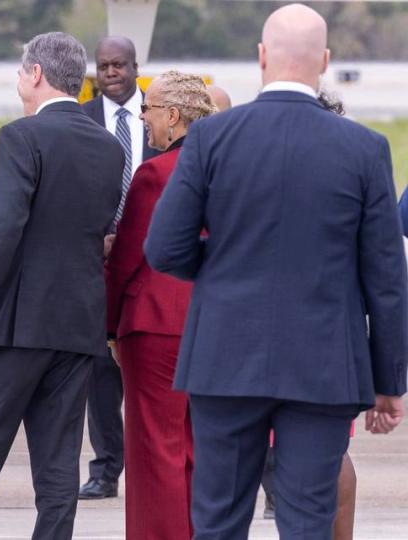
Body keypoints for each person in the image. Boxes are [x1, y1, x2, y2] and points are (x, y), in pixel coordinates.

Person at [145, 4, 407, 538]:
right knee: (308, 520)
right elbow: (387, 279)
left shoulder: (212, 139)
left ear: (261, 56)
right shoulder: (364, 148)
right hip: (325, 364)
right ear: (326, 61)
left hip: (224, 355)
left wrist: (221, 273)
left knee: (217, 518)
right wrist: (389, 382)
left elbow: (165, 248)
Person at [0, 32, 124, 540]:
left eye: (20, 71)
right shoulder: (109, 148)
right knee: (58, 465)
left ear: (36, 74)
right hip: (76, 325)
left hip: (16, 325)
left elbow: (7, 224)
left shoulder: (21, 135)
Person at [107, 70, 215, 540]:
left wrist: (109, 327)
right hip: (213, 323)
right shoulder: (225, 168)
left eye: (148, 109)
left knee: (155, 451)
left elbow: (130, 258)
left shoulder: (154, 174)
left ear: (173, 116)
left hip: (157, 325)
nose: (144, 118)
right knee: (197, 447)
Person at [260, 91, 358, 540]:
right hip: (330, 332)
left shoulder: (267, 173)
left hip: (271, 332)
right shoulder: (351, 175)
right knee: (332, 450)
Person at [79, 35, 160, 500]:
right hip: (96, 259)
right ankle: (106, 469)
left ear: (135, 66)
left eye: (119, 65)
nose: (110, 73)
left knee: (145, 367)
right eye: (103, 66)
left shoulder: (161, 115)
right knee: (99, 372)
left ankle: (149, 466)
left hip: (151, 261)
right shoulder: (84, 118)